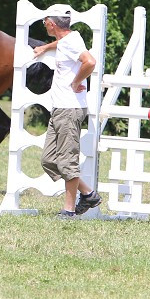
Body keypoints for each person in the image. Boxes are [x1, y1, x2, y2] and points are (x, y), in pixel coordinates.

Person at [32, 11, 101, 218]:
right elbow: (63, 44)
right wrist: (45, 46)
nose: (44, 25)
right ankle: (88, 194)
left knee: (66, 162)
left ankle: (68, 211)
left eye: (45, 23)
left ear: (52, 24)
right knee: (48, 160)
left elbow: (89, 62)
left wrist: (76, 82)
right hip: (60, 109)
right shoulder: (67, 39)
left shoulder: (70, 42)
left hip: (69, 109)